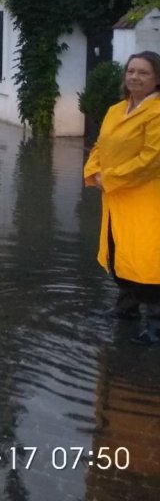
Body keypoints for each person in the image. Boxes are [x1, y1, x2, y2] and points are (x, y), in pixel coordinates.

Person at [84, 51, 160, 344]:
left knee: (148, 258)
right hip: (116, 198)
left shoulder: (156, 112)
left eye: (143, 72)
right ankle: (126, 307)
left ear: (156, 79)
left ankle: (156, 323)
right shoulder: (116, 110)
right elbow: (99, 146)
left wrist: (112, 178)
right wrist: (95, 172)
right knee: (118, 252)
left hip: (146, 198)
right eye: (131, 71)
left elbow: (152, 158)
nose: (135, 77)